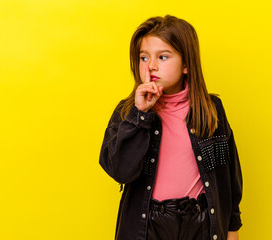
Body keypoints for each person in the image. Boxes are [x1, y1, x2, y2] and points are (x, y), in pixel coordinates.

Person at [99, 15, 243, 240]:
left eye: (163, 57)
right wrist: (141, 115)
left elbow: (228, 175)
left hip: (201, 224)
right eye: (144, 58)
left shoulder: (210, 109)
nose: (151, 66)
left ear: (186, 64)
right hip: (149, 226)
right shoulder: (129, 112)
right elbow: (120, 171)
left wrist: (232, 229)